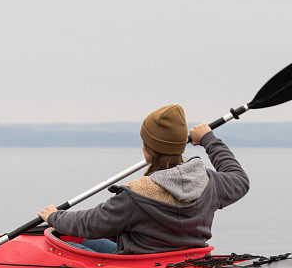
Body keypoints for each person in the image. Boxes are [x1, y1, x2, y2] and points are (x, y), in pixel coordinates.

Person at [38, 104, 249, 254]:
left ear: (148, 150)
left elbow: (91, 224)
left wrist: (54, 217)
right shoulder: (208, 181)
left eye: (144, 142)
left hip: (139, 264)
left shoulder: (135, 195)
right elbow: (239, 178)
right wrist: (208, 139)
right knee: (83, 240)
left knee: (56, 243)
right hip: (187, 259)